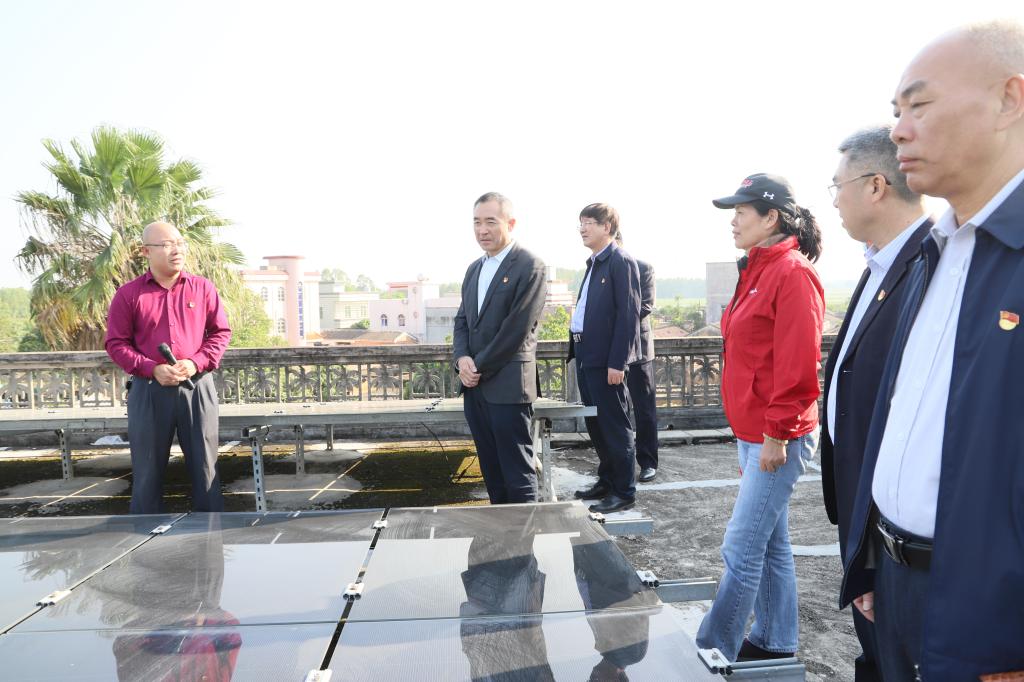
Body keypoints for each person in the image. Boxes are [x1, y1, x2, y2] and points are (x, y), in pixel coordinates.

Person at [841, 21, 1024, 680]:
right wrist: (868, 555)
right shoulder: (931, 255)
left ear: (1009, 100)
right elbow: (900, 418)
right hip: (895, 587)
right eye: (896, 112)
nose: (898, 131)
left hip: (990, 619)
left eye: (918, 105)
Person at [695, 174, 824, 663]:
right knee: (769, 544)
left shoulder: (792, 273)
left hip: (778, 436)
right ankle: (775, 641)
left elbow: (798, 364)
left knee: (741, 546)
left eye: (741, 212)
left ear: (770, 217)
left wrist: (777, 435)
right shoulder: (755, 269)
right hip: (754, 433)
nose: (733, 221)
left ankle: (713, 651)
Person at [821, 125, 931, 682]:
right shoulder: (880, 264)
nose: (833, 200)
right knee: (874, 654)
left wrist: (870, 550)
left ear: (874, 185)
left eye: (837, 186)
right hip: (860, 505)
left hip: (891, 528)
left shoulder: (930, 265)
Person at [105, 221, 231, 514]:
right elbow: (116, 343)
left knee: (206, 470)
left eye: (180, 243)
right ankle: (143, 539)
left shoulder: (202, 288)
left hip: (197, 389)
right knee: (147, 475)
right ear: (145, 251)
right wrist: (151, 368)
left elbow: (221, 333)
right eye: (166, 244)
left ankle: (211, 535)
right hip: (149, 392)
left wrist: (195, 362)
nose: (177, 250)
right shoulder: (129, 294)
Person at [453, 192, 547, 504]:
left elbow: (516, 330)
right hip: (475, 389)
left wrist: (477, 366)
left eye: (491, 222)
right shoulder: (474, 269)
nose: (482, 230)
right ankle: (501, 534)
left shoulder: (530, 266)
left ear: (511, 223)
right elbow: (462, 320)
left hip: (508, 388)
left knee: (517, 474)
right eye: (477, 222)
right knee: (491, 472)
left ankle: (525, 535)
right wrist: (462, 359)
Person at [568, 203, 642, 514]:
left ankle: (623, 491)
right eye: (581, 223)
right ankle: (607, 480)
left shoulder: (620, 261)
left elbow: (628, 315)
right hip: (586, 353)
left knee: (614, 425)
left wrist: (618, 362)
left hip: (606, 360)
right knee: (596, 424)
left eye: (589, 223)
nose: (582, 229)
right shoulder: (594, 263)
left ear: (607, 227)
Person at [616, 234, 659, 483]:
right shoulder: (602, 270)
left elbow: (646, 306)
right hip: (611, 353)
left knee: (644, 410)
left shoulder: (643, 268)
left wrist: (615, 322)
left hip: (639, 351)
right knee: (615, 410)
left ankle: (648, 462)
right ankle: (620, 463)